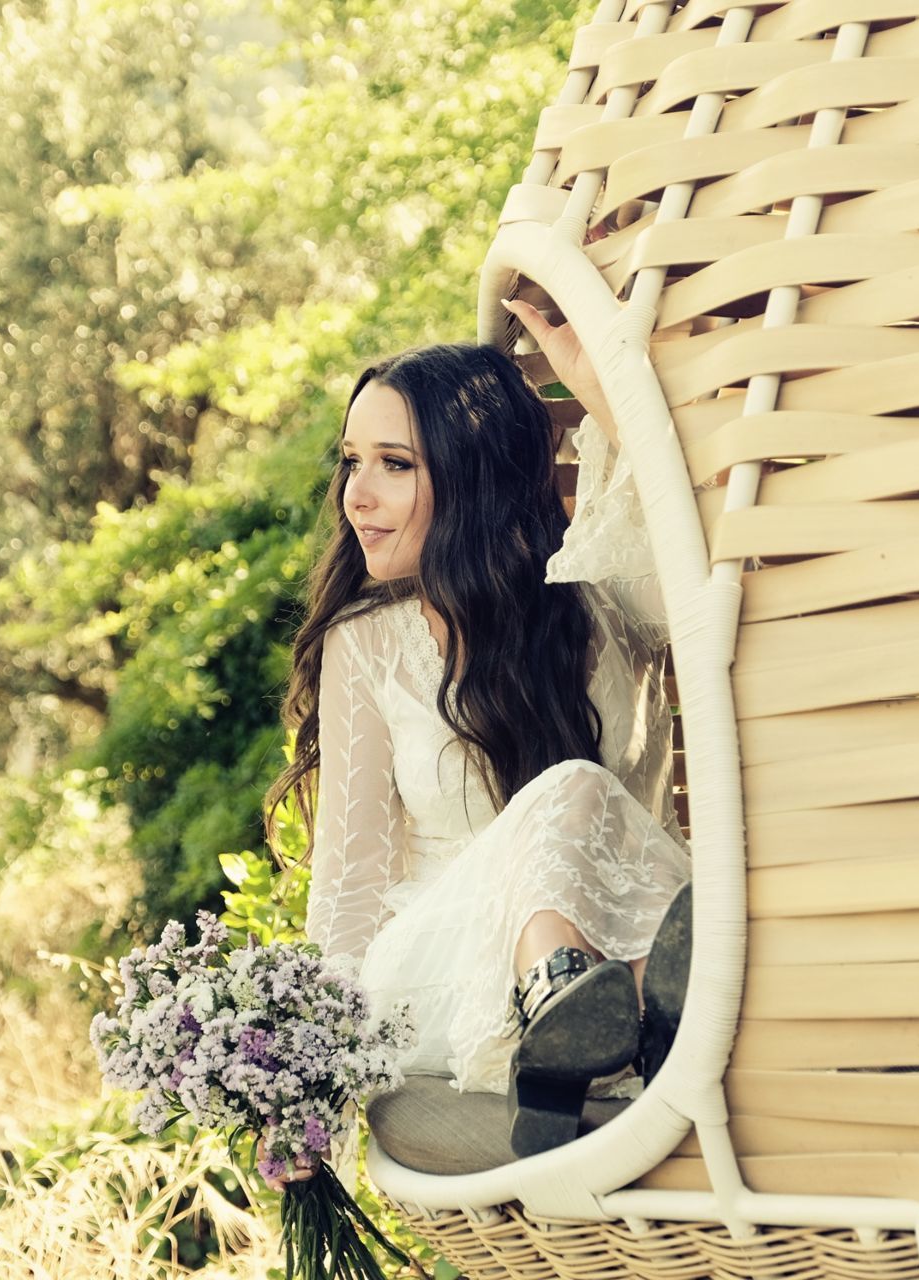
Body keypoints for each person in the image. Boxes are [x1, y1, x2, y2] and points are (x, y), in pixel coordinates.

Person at [260, 300, 693, 1185]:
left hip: (624, 925)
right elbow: (349, 885)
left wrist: (604, 390)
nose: (356, 495)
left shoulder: (606, 604)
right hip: (440, 973)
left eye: (394, 465)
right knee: (570, 786)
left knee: (604, 816)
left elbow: (699, 544)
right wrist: (312, 1085)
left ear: (474, 475)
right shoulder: (367, 644)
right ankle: (568, 1001)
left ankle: (610, 1022)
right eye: (351, 461)